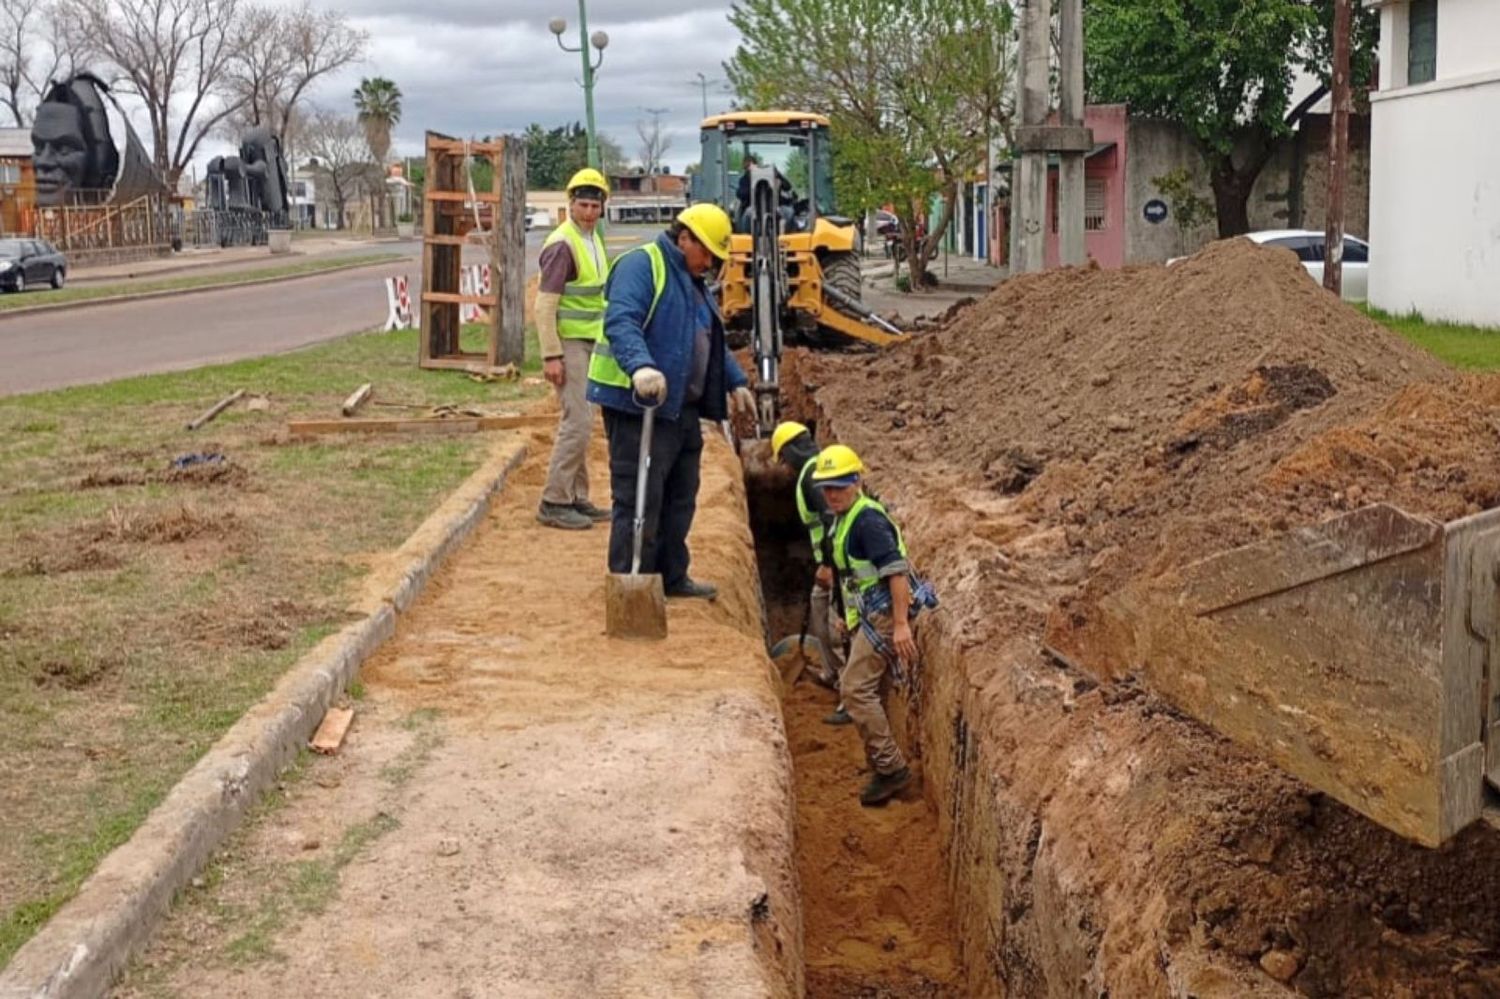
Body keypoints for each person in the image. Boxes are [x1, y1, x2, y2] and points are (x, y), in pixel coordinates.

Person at [587, 203, 756, 598]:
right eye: (708, 254)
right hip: (638, 406)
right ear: (685, 239)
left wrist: (735, 380)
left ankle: (671, 577)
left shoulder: (692, 279)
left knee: (681, 495)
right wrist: (641, 367)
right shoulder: (642, 265)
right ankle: (633, 589)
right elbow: (622, 321)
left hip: (680, 406)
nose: (712, 265)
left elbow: (703, 337)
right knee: (639, 498)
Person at [811, 443, 938, 806]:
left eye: (839, 485)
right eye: (827, 488)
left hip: (886, 613)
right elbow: (850, 574)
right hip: (870, 611)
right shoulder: (844, 518)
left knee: (853, 689)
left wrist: (900, 625)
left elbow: (895, 573)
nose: (832, 494)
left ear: (856, 481)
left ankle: (891, 770)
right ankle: (881, 764)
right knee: (872, 690)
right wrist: (845, 617)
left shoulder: (867, 520)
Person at [536, 169, 613, 530]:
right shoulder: (563, 244)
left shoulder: (592, 239)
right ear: (570, 204)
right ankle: (554, 500)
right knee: (578, 420)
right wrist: (551, 354)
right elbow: (544, 305)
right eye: (583, 204)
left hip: (588, 340)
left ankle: (576, 497)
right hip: (568, 342)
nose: (589, 211)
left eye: (595, 205)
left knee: (584, 418)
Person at [770, 421, 848, 720]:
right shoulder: (815, 470)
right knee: (818, 606)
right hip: (832, 563)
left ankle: (850, 696)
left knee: (836, 627)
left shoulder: (814, 476)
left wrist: (829, 566)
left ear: (790, 453)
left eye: (783, 460)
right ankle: (831, 672)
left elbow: (832, 521)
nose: (784, 468)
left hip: (841, 566)